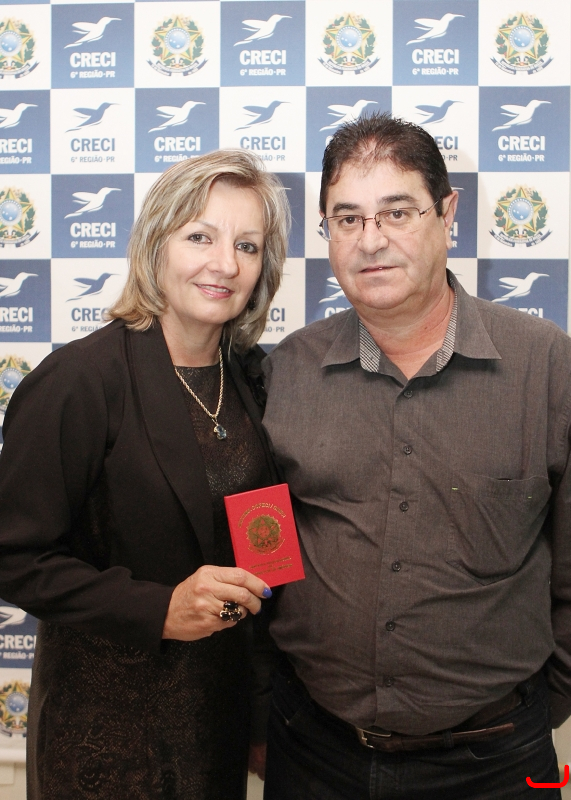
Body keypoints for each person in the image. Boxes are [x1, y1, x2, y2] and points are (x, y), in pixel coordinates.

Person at [261, 113, 571, 799]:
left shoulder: (547, 366)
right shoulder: (286, 372)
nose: (370, 240)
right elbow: (263, 559)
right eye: (347, 219)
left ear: (447, 213)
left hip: (494, 760)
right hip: (312, 752)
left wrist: (543, 706)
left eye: (397, 212)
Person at [0, 149, 290, 800]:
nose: (225, 263)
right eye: (200, 237)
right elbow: (13, 556)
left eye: (247, 245)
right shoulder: (80, 381)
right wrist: (159, 608)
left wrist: (262, 711)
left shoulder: (251, 380)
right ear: (155, 243)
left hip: (214, 726)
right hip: (102, 739)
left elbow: (262, 554)